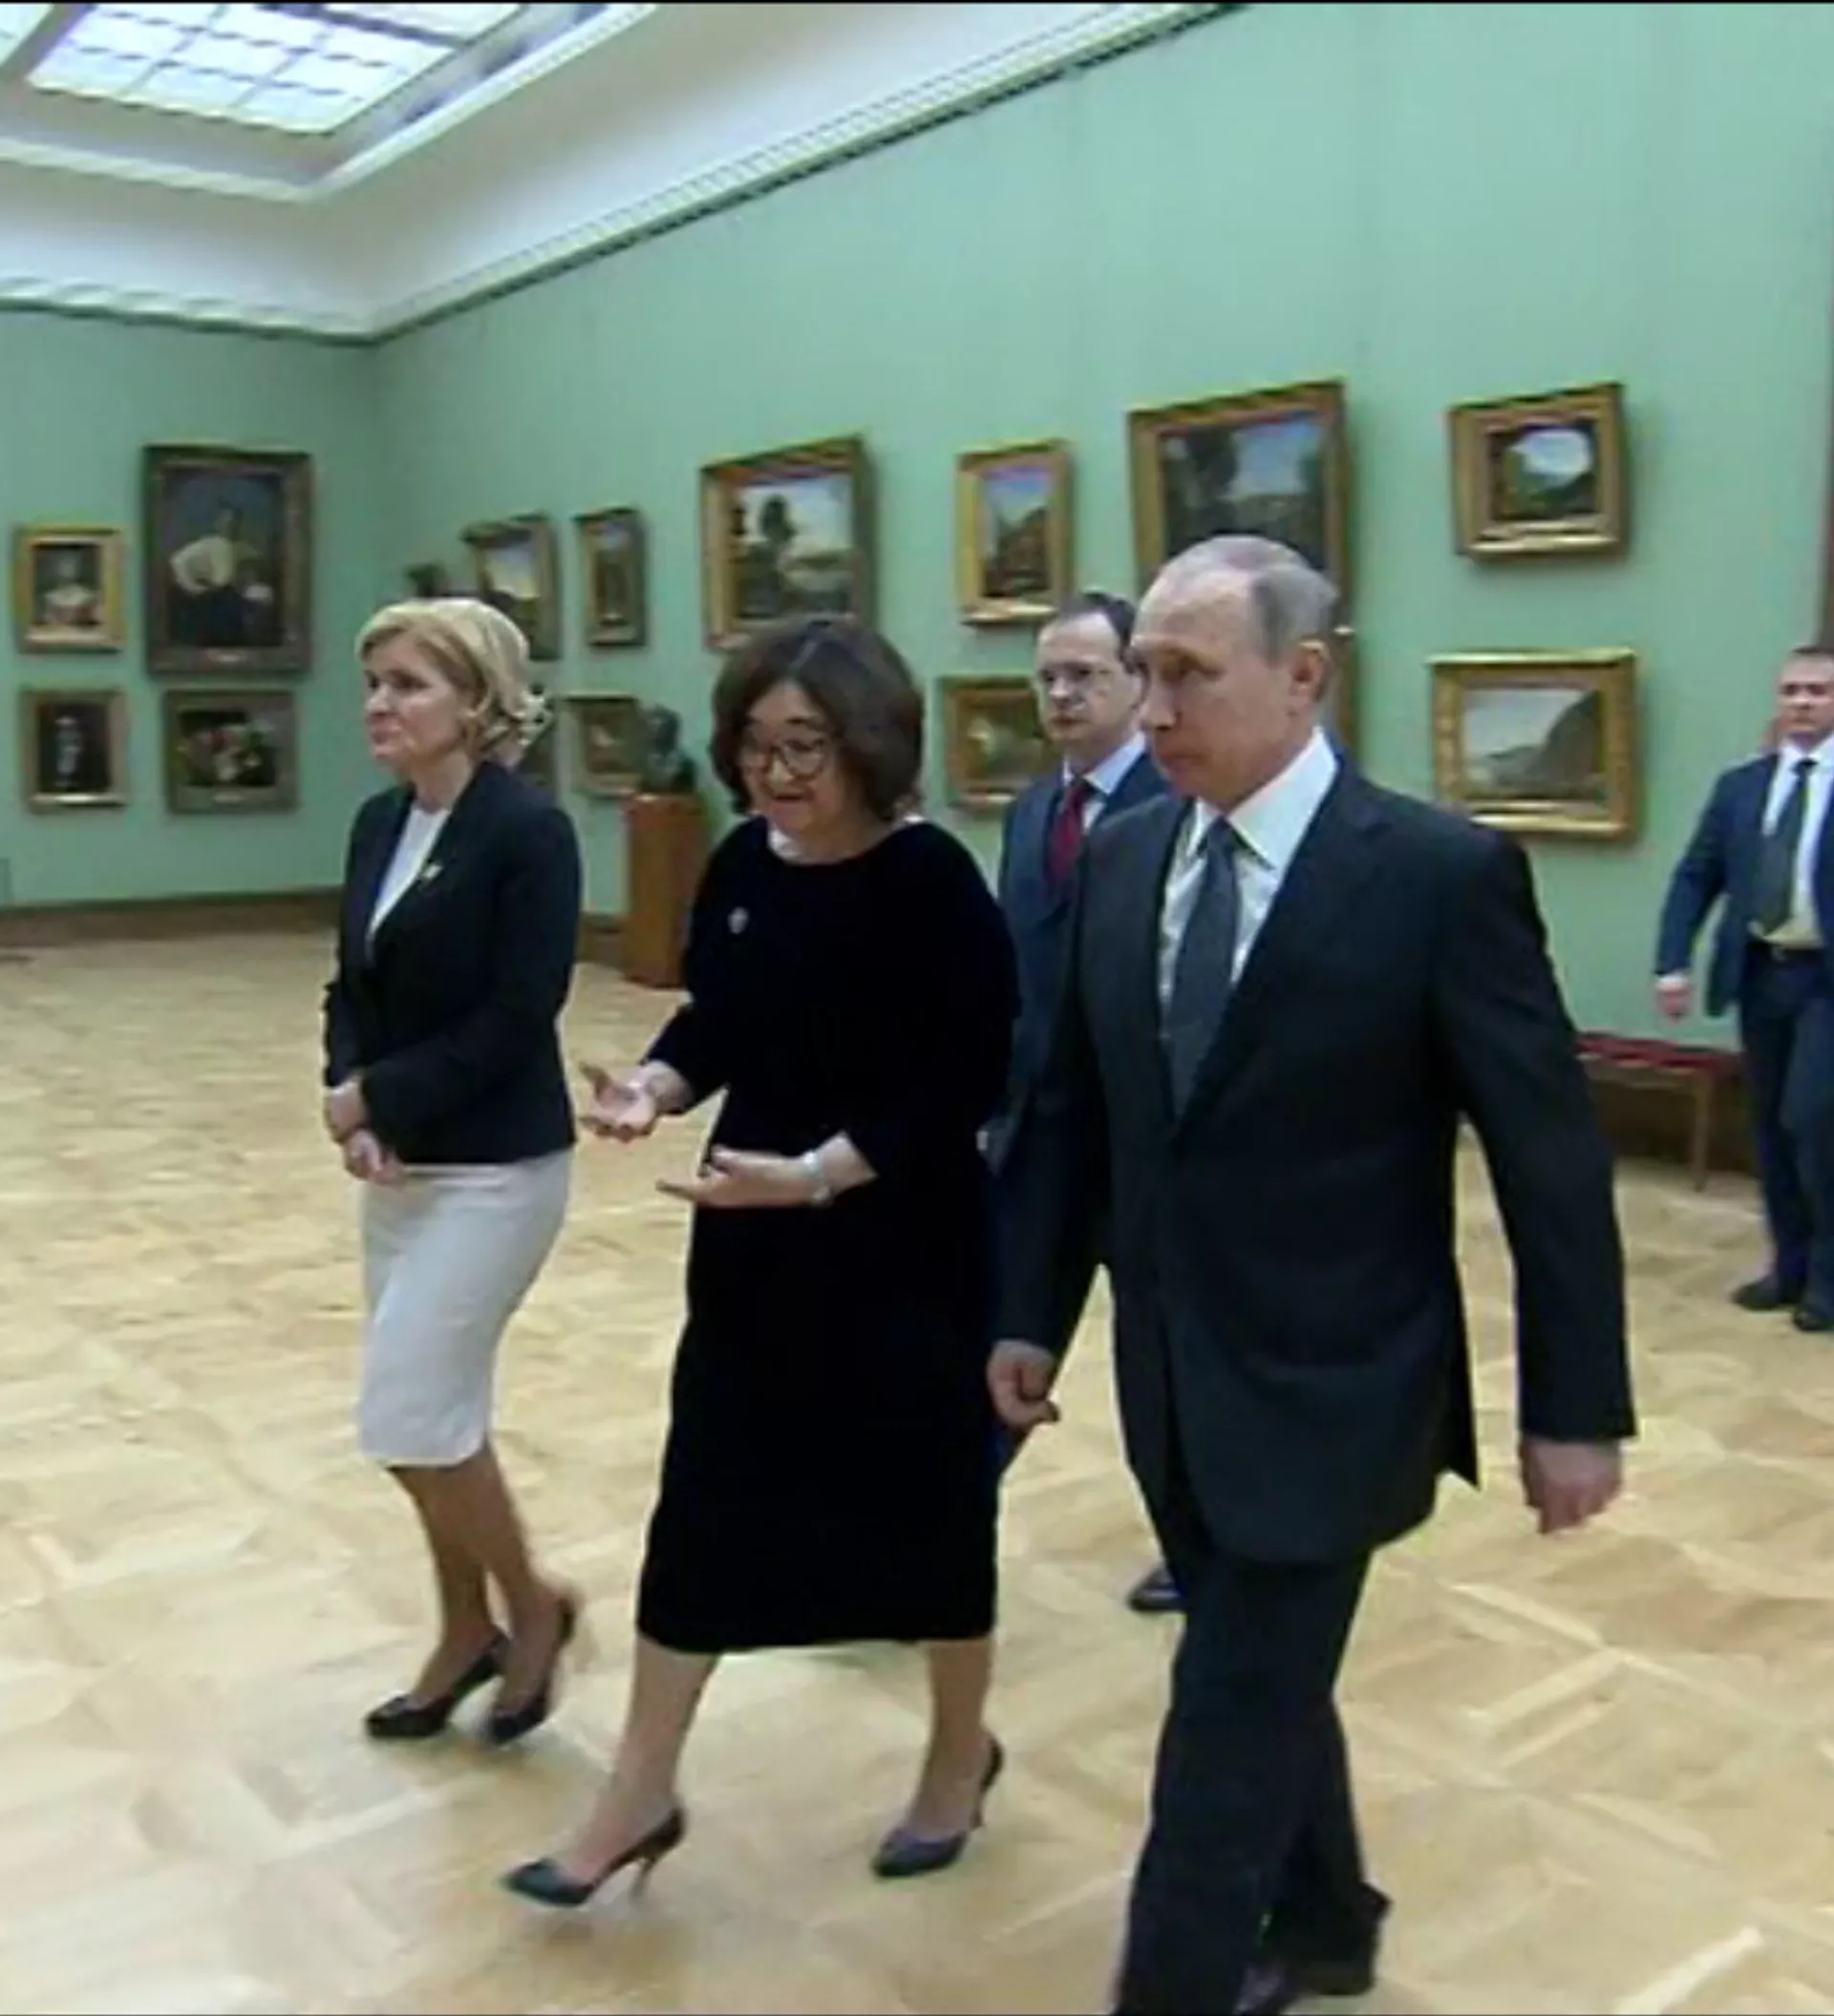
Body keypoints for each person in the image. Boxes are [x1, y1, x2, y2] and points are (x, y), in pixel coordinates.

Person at [990, 535, 1635, 2016]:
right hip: (1170, 1373)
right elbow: (1078, 1110)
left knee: (1220, 1724)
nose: (1153, 709)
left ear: (1305, 675)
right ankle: (1332, 1919)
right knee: (1259, 1671)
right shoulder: (1129, 855)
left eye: (1189, 674)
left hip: (1342, 1387)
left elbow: (1550, 1161)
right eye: (1142, 671)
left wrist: (1574, 1407)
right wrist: (1030, 1309)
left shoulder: (1437, 876)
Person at [503, 614, 1018, 1910]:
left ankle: (959, 1751)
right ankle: (639, 1790)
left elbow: (964, 1074)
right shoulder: (744, 862)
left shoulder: (933, 882)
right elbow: (721, 1018)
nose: (777, 771)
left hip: (906, 1247)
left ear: (873, 744)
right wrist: (654, 1085)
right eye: (758, 743)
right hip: (753, 1245)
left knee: (931, 1512)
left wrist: (820, 1173)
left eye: (807, 745)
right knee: (705, 1505)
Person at [321, 596, 584, 1751]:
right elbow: (352, 985)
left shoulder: (529, 832)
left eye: (407, 683)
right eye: (374, 681)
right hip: (401, 1168)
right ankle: (463, 1626)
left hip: (498, 1170)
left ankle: (531, 1606)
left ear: (477, 700)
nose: (379, 704)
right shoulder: (380, 822)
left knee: (408, 1410)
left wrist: (380, 1094)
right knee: (438, 1415)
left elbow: (520, 1014)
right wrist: (352, 1097)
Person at [986, 587, 1180, 1618]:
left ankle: (1197, 1543)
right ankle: (930, 1534)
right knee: (1000, 1338)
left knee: (1165, 1362)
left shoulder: (1179, 803)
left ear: (1136, 682)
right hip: (1036, 1134)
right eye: (1048, 677)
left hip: (1143, 1143)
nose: (1061, 694)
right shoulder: (1032, 812)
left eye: (1085, 675)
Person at [1655, 645, 1834, 1327]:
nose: (1803, 702)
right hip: (1762, 973)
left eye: (1818, 691)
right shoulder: (1743, 787)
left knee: (1812, 1119)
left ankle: (1828, 1279)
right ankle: (1788, 1268)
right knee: (1770, 1129)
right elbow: (1696, 875)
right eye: (1791, 690)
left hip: (1825, 980)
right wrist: (1673, 961)